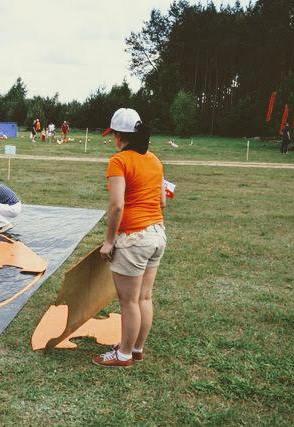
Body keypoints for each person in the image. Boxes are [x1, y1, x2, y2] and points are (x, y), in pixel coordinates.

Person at [93, 107, 167, 368]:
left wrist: (109, 241)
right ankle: (136, 349)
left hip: (134, 238)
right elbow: (162, 202)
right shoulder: (156, 161)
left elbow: (116, 206)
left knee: (129, 301)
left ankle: (123, 355)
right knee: (144, 297)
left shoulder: (118, 162)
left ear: (118, 136)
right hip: (157, 234)